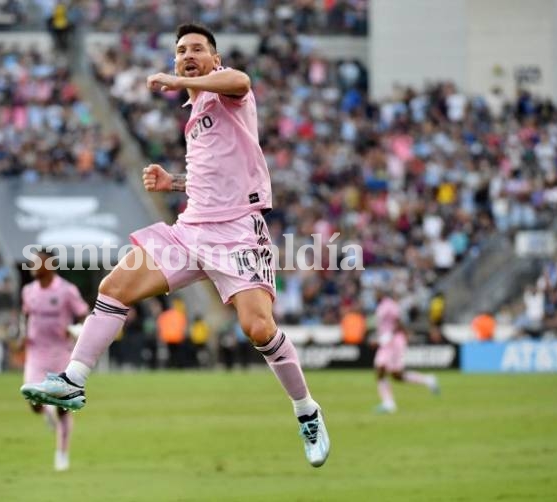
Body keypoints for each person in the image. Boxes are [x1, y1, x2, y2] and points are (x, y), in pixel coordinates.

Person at [21, 23, 330, 467]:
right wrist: (175, 183)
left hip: (239, 231)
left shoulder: (229, 94)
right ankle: (73, 379)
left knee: (259, 329)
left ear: (214, 59)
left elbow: (241, 80)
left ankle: (306, 411)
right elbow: (217, 178)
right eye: (180, 50)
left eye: (197, 49)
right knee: (113, 286)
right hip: (191, 229)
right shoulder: (195, 115)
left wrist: (182, 80)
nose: (187, 55)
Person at [21, 250, 89, 471]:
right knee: (33, 400)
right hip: (36, 353)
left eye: (37, 262)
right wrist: (22, 335)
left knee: (64, 407)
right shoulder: (28, 291)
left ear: (49, 265)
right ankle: (46, 413)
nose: (32, 265)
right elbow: (26, 315)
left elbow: (83, 313)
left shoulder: (67, 291)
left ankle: (61, 453)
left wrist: (76, 329)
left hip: (61, 354)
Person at [374, 291, 440, 414]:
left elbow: (398, 322)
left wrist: (391, 336)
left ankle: (389, 403)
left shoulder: (389, 305)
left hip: (394, 342)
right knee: (389, 373)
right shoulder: (380, 306)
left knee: (389, 372)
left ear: (382, 292)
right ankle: (389, 403)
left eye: (376, 291)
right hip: (386, 342)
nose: (374, 294)